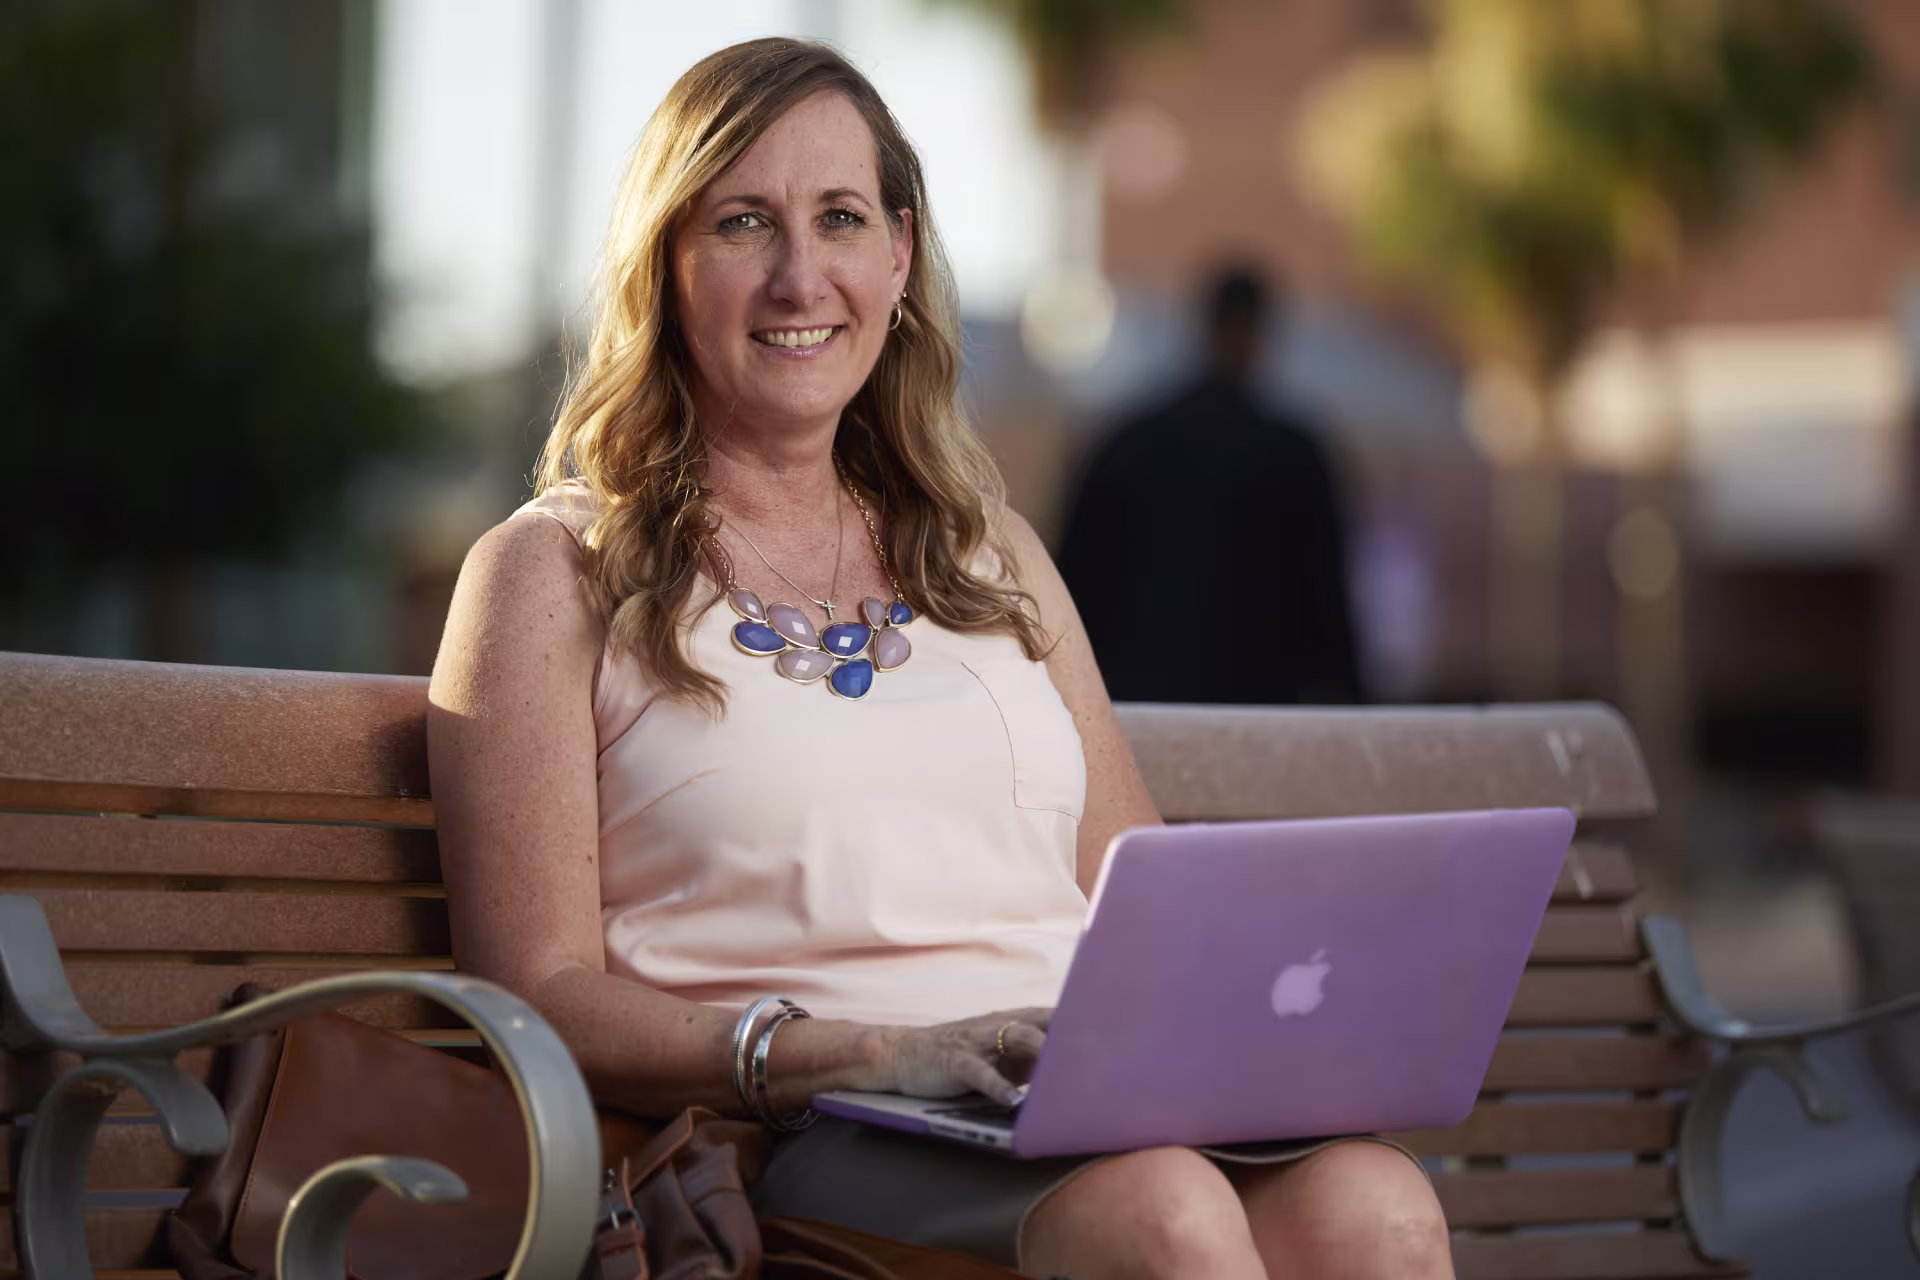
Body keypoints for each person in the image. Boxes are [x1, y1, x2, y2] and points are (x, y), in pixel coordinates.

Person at [428, 38, 1449, 1280]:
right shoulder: (549, 570)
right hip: (808, 1128)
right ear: (667, 263)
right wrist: (852, 1049)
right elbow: (535, 987)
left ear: (900, 255)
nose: (800, 276)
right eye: (743, 222)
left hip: (1079, 1097)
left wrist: (1306, 1004)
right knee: (1166, 1212)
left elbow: (1136, 879)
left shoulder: (991, 551)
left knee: (1376, 1202)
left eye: (841, 218)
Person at [1057, 270, 1365, 705]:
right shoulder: (1291, 453)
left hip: (1138, 701)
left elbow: (1074, 577)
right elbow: (1327, 597)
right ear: (1260, 334)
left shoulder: (1129, 443)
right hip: (1254, 703)